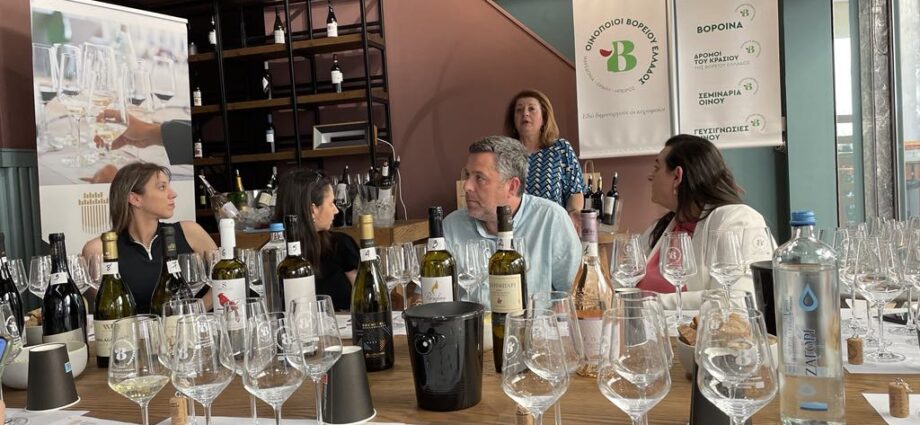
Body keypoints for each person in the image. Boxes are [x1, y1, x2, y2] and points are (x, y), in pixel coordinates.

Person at [638, 134, 769, 310]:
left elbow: (739, 301)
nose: (650, 176)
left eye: (656, 168)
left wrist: (652, 303)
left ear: (677, 176)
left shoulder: (738, 220)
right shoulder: (662, 226)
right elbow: (624, 283)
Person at [444, 135, 581, 297]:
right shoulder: (451, 226)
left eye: (479, 178)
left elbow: (576, 295)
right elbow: (429, 295)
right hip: (471, 315)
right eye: (467, 175)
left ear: (512, 186)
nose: (467, 186)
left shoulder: (551, 220)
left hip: (533, 314)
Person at [81, 162, 216, 314]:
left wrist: (194, 312)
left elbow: (226, 280)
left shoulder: (190, 232)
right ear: (135, 199)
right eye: (162, 187)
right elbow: (106, 313)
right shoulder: (100, 249)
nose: (173, 194)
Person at [273, 168, 359, 311]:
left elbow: (366, 299)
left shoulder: (341, 245)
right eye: (331, 203)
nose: (336, 210)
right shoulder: (273, 255)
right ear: (313, 210)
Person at [504, 89, 586, 221]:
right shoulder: (504, 154)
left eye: (531, 109)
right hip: (513, 228)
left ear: (544, 118)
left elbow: (575, 191)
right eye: (519, 110)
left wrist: (574, 214)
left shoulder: (560, 148)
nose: (525, 113)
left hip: (552, 226)